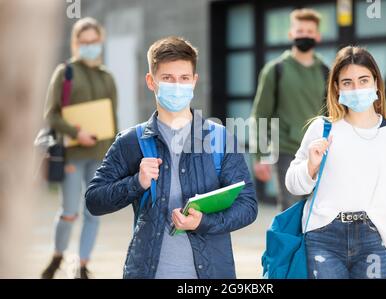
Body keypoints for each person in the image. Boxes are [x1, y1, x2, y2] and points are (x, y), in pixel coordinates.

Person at [85, 36, 257, 279]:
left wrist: (203, 223)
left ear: (194, 81)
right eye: (167, 78)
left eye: (184, 78)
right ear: (151, 81)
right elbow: (94, 201)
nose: (177, 86)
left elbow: (248, 206)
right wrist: (137, 183)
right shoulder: (131, 142)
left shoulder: (220, 138)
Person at [285, 46, 386, 279]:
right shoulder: (322, 129)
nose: (356, 88)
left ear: (376, 83)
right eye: (347, 82)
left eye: (363, 80)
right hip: (324, 238)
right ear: (337, 87)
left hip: (374, 239)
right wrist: (310, 166)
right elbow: (293, 185)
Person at [41, 17, 118, 279]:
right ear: (76, 43)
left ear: (101, 41)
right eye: (84, 42)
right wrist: (77, 133)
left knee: (92, 213)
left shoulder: (107, 77)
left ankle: (82, 265)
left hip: (100, 156)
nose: (90, 46)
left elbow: (112, 118)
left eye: (94, 41)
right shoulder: (65, 73)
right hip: (73, 155)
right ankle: (57, 255)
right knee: (69, 212)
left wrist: (114, 157)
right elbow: (51, 115)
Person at [251, 8, 329, 211]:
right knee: (291, 212)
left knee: (317, 213)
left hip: (319, 151)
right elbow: (260, 114)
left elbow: (332, 114)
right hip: (286, 151)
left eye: (310, 31)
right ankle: (289, 245)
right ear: (291, 34)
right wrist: (260, 156)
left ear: (318, 36)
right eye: (300, 30)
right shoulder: (275, 70)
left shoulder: (325, 71)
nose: (305, 35)